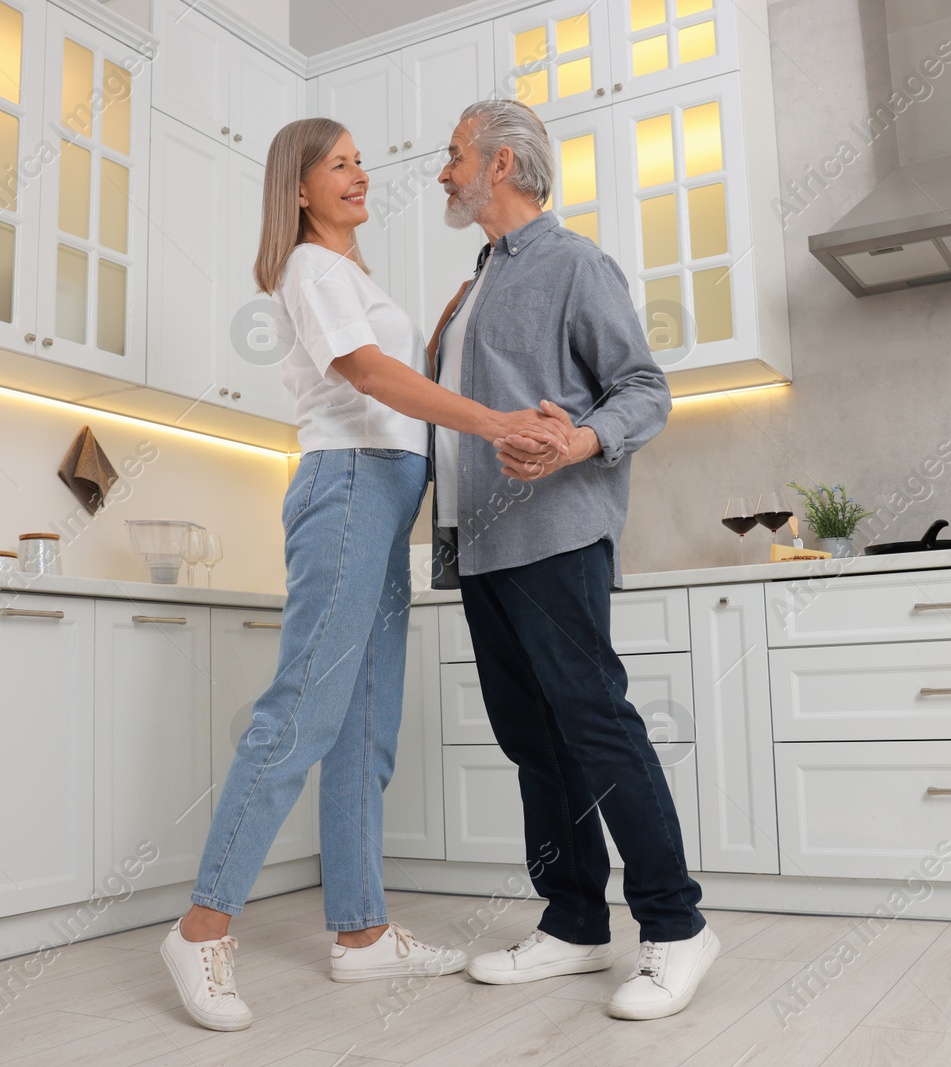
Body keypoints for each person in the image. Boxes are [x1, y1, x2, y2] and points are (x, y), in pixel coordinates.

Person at [161, 116, 573, 1032]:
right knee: (302, 711)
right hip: (348, 490)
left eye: (359, 162)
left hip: (384, 498)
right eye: (338, 165)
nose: (360, 175)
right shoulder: (309, 267)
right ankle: (201, 925)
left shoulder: (349, 276)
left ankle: (362, 933)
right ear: (298, 188)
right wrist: (498, 422)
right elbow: (366, 374)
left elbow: (389, 372)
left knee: (364, 727)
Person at [429, 99, 717, 1022]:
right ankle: (575, 921)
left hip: (554, 536)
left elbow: (644, 387)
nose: (444, 171)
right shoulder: (476, 279)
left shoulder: (573, 263)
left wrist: (581, 442)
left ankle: (675, 926)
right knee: (533, 740)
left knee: (595, 727)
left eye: (455, 155)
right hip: (481, 545)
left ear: (503, 164)